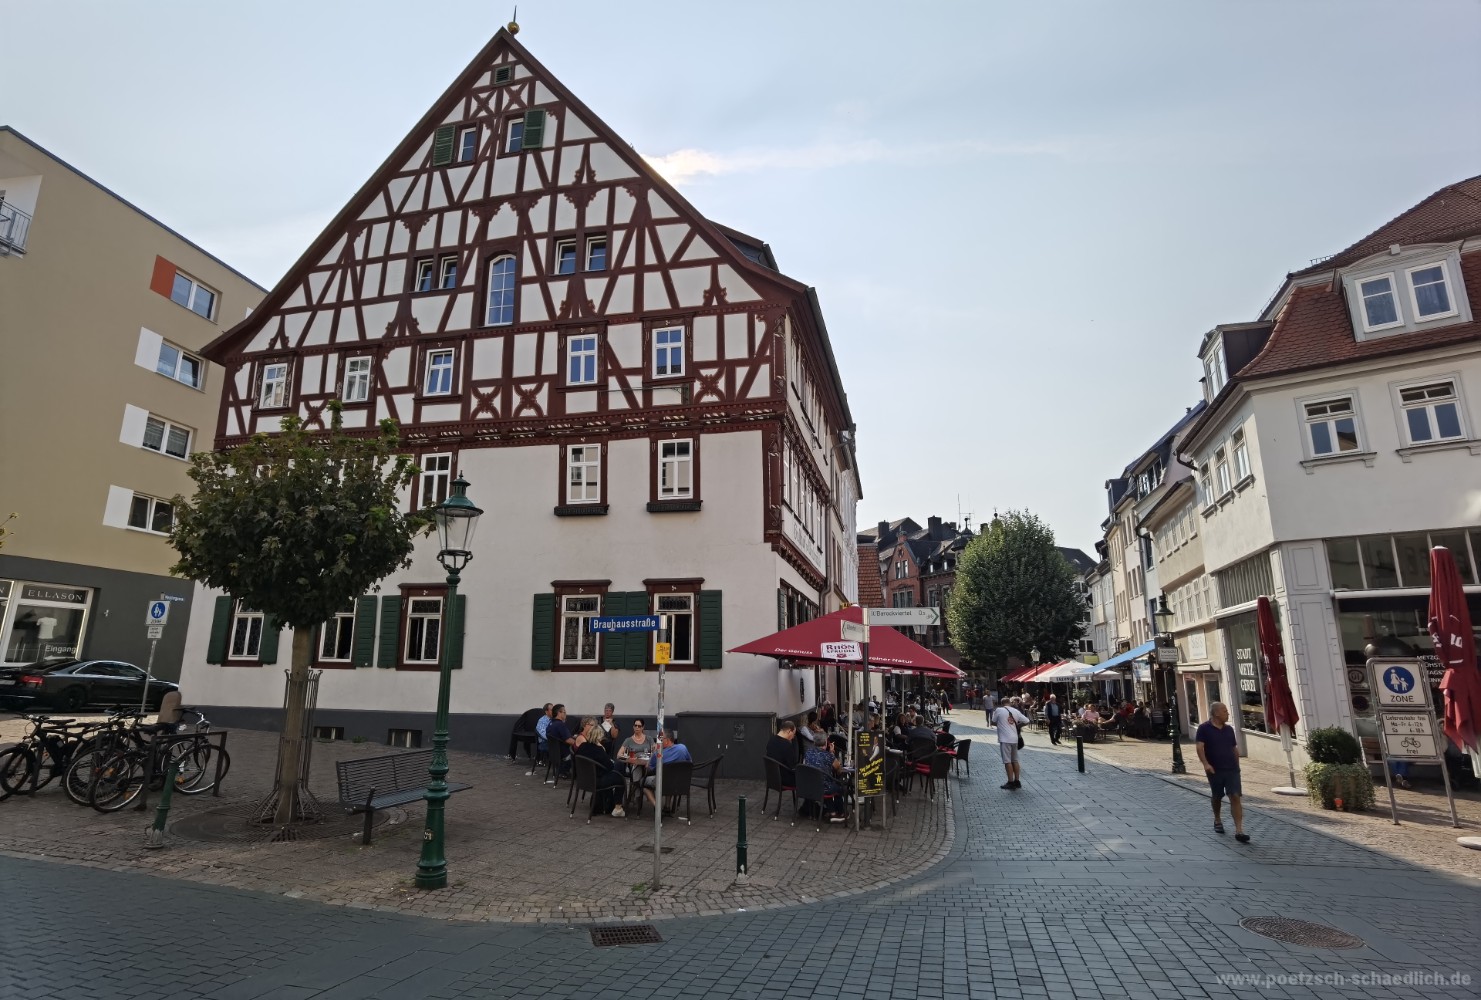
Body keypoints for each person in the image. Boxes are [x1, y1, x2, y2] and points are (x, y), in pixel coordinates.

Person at [1195, 702, 1249, 843]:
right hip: (1215, 769)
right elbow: (1200, 747)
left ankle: (1239, 830)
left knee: (1235, 796)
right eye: (1224, 711)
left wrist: (1237, 766)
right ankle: (1217, 819)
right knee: (1217, 796)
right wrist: (1206, 764)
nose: (1227, 713)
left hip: (1231, 769)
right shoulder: (1203, 728)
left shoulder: (1229, 729)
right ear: (1216, 713)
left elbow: (1234, 748)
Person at [573, 724, 627, 818]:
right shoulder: (598, 750)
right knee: (621, 776)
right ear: (599, 737)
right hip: (597, 781)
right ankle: (617, 807)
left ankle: (610, 804)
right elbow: (610, 766)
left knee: (618, 767)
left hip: (584, 780)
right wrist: (601, 747)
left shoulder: (582, 746)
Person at [802, 732, 847, 821]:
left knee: (826, 782)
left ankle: (832, 812)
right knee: (838, 787)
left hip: (809, 786)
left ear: (814, 742)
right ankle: (841, 813)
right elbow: (839, 770)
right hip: (823, 787)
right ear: (826, 742)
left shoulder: (808, 752)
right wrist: (832, 753)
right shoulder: (828, 756)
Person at [643, 730, 693, 810]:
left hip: (663, 783)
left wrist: (653, 753)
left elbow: (648, 769)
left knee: (643, 785)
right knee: (669, 777)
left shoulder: (658, 754)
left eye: (660, 739)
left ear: (667, 740)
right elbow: (689, 762)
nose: (659, 742)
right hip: (680, 783)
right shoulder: (683, 748)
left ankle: (657, 807)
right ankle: (667, 806)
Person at [991, 697, 1030, 789]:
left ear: (1002, 703)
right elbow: (1027, 721)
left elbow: (993, 722)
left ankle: (1010, 782)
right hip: (1014, 738)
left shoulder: (999, 710)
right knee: (1015, 760)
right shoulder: (1015, 711)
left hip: (1005, 739)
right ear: (1010, 703)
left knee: (1007, 761)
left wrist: (1001, 724)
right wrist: (1018, 726)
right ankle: (1017, 781)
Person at [546, 704, 575, 781]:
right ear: (559, 713)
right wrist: (580, 743)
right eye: (564, 712)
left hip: (553, 754)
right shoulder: (560, 725)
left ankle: (562, 771)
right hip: (564, 754)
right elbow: (569, 740)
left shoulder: (550, 723)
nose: (565, 714)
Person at [766, 720, 799, 786]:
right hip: (785, 778)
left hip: (772, 777)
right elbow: (793, 765)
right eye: (793, 734)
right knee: (806, 777)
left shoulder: (771, 740)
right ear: (789, 731)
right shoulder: (787, 745)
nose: (793, 737)